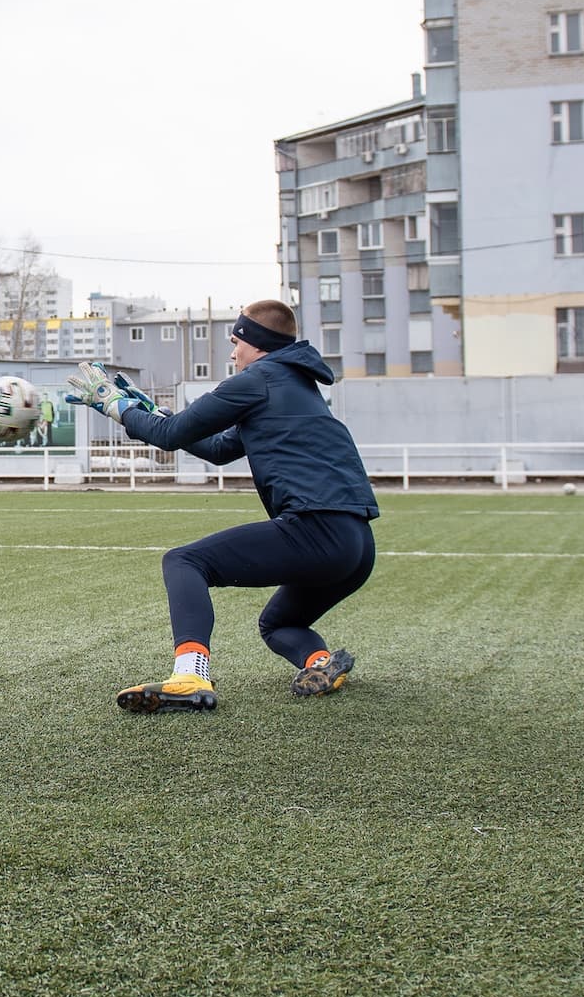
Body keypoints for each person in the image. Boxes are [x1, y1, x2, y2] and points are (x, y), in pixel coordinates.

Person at [66, 299, 379, 712]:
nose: (233, 353)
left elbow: (171, 435)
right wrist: (151, 412)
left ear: (258, 344)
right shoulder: (296, 385)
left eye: (236, 342)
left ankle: (191, 674)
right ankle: (320, 662)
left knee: (184, 562)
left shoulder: (256, 380)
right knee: (279, 624)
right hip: (357, 545)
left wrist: (114, 406)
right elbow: (218, 448)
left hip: (316, 529)